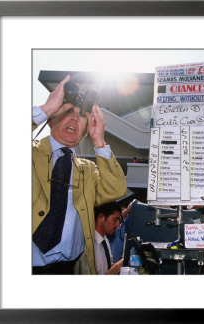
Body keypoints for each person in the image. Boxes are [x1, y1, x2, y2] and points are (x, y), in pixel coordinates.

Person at [32, 75, 127, 274]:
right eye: (67, 112)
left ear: (85, 131)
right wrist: (45, 109)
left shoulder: (88, 170)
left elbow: (116, 189)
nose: (74, 118)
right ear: (50, 121)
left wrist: (99, 141)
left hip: (69, 270)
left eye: (81, 115)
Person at [94, 202, 125, 274]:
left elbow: (107, 269)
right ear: (101, 217)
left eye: (119, 221)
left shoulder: (105, 240)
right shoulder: (90, 245)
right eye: (115, 220)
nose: (118, 225)